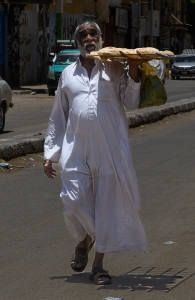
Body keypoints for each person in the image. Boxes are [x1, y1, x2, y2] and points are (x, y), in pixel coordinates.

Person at [43, 21, 147, 285]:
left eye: (93, 34)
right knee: (74, 199)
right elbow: (59, 115)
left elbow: (132, 102)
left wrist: (133, 68)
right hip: (76, 148)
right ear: (76, 40)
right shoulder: (67, 74)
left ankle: (99, 265)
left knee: (108, 206)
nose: (88, 38)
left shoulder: (114, 67)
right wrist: (51, 153)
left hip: (111, 148)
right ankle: (85, 238)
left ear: (101, 38)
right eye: (83, 35)